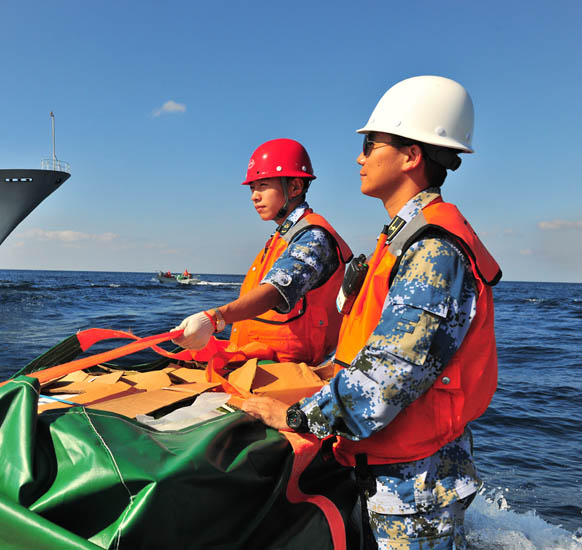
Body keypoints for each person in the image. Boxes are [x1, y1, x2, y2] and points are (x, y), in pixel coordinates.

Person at [242, 76, 502, 549]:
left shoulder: (433, 251)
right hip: (388, 471)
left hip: (416, 487)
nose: (360, 158)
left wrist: (297, 417)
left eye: (371, 144)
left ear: (411, 155)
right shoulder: (401, 240)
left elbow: (391, 372)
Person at [172, 138, 352, 366]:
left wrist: (215, 317)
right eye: (252, 188)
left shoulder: (313, 236)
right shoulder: (282, 238)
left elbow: (276, 291)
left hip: (293, 372)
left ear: (295, 187)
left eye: (263, 185)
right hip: (262, 363)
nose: (254, 196)